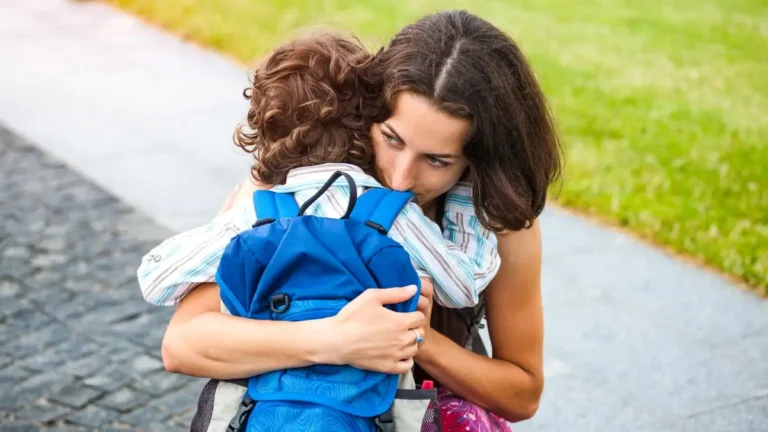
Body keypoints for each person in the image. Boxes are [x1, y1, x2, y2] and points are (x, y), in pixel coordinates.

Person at [159, 9, 561, 427]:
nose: (402, 177)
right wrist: (336, 340)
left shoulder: (495, 218)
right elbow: (183, 344)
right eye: (391, 139)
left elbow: (522, 393)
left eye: (437, 160)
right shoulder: (304, 182)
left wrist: (416, 337)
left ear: (480, 161)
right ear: (371, 113)